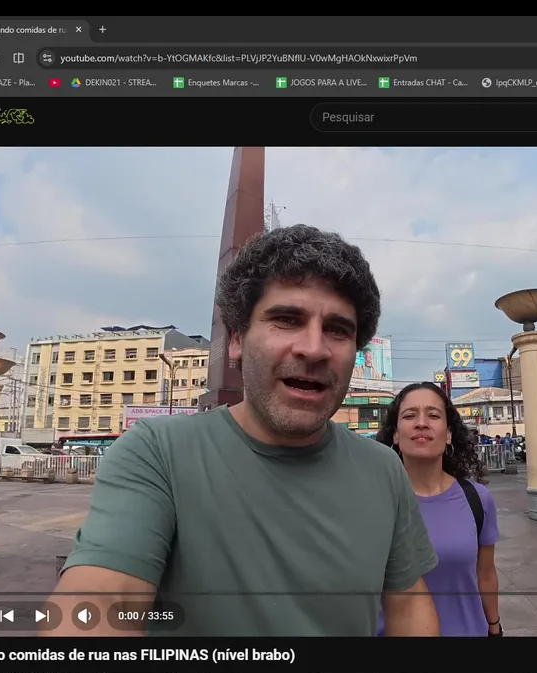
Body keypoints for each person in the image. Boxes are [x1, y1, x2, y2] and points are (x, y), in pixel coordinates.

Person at [46, 225, 440, 637]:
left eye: (338, 330)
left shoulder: (383, 470)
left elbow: (411, 609)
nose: (313, 348)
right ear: (236, 339)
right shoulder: (158, 453)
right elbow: (101, 603)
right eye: (286, 320)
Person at [374, 382, 502, 637]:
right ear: (396, 434)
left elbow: (485, 573)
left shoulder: (477, 499)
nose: (422, 423)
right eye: (410, 416)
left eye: (433, 415)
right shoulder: (373, 501)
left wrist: (495, 627)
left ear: (449, 434)